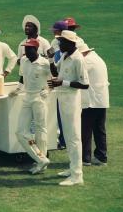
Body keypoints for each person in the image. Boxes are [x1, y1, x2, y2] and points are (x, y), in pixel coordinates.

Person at [48, 30, 89, 186]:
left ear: (71, 43)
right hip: (62, 99)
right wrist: (51, 59)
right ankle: (72, 169)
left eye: (62, 42)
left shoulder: (78, 59)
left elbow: (85, 84)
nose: (59, 44)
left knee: (74, 138)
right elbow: (56, 72)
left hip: (72, 101)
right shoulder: (65, 55)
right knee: (68, 135)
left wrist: (62, 83)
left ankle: (77, 175)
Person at [10, 38, 51, 174]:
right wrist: (18, 89)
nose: (26, 51)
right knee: (20, 132)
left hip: (39, 98)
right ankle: (41, 159)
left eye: (28, 49)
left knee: (41, 129)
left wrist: (48, 90)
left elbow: (55, 78)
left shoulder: (45, 63)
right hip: (27, 97)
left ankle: (40, 162)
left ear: (36, 49)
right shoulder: (23, 60)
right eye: (25, 48)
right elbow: (22, 77)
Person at [77, 43, 109, 166]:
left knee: (85, 129)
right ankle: (101, 157)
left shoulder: (86, 62)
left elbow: (78, 78)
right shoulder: (97, 58)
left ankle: (85, 158)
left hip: (92, 101)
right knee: (99, 129)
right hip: (101, 100)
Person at [49, 21, 69, 150]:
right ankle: (62, 139)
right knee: (58, 113)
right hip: (57, 81)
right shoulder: (53, 42)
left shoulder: (67, 45)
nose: (53, 31)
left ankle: (65, 140)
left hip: (65, 84)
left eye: (55, 30)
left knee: (65, 114)